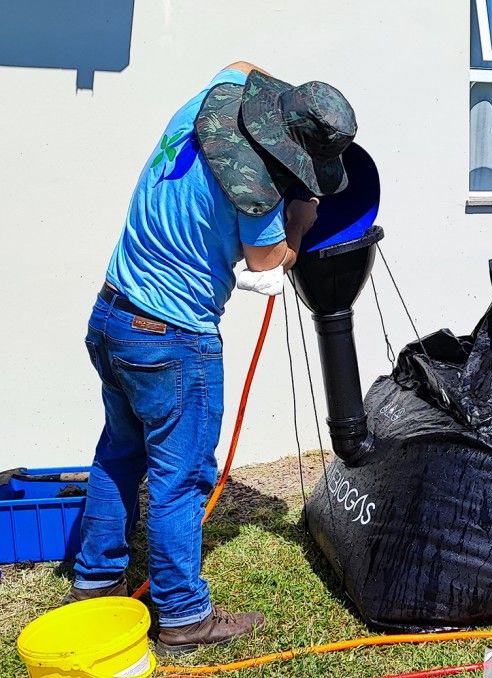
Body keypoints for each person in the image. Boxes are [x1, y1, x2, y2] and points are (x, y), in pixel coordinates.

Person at [64, 61, 357, 655]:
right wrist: (300, 222)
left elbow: (244, 65)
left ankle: (96, 581)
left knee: (119, 452)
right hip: (172, 339)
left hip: (112, 315)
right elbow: (269, 263)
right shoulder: (259, 198)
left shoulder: (207, 103)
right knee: (182, 478)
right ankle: (181, 616)